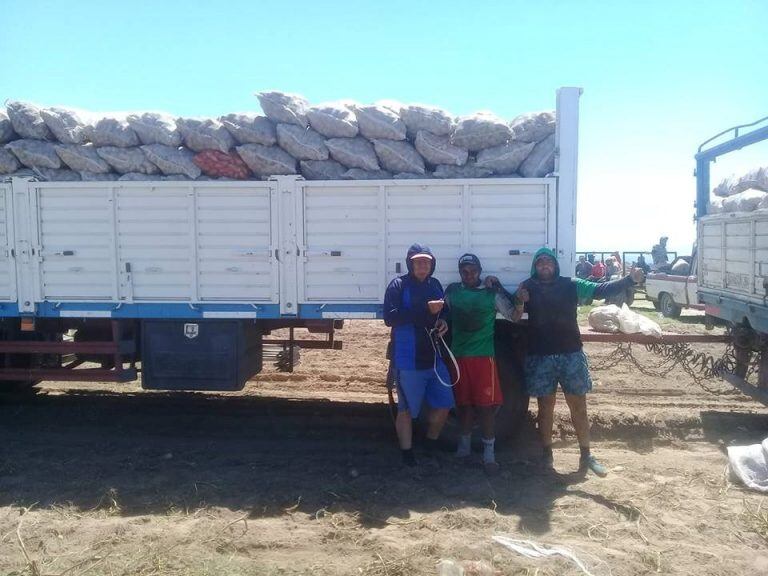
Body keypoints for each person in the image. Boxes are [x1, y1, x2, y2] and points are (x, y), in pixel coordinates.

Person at [488, 248, 644, 476]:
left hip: (571, 354)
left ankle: (586, 455)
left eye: (548, 261)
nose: (544, 265)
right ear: (535, 266)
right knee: (545, 408)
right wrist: (499, 287)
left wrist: (630, 279)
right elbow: (514, 308)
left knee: (579, 406)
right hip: (540, 356)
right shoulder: (527, 286)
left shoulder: (571, 284)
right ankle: (546, 455)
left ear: (555, 265)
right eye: (539, 262)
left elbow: (601, 290)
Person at [443, 254, 517, 474]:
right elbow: (442, 313)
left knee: (485, 408)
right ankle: (463, 450)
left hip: (484, 358)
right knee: (463, 406)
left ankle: (489, 455)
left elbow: (513, 315)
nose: (469, 275)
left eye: (473, 270)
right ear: (460, 273)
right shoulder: (452, 292)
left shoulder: (491, 294)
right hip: (459, 358)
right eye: (464, 271)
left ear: (480, 270)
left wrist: (502, 287)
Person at [384, 243, 454, 467]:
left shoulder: (434, 284)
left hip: (434, 358)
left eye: (427, 262)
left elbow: (443, 313)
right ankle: (407, 453)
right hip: (407, 358)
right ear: (410, 264)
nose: (423, 265)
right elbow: (390, 319)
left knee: (444, 404)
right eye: (418, 262)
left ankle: (430, 444)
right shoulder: (398, 285)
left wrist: (443, 321)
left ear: (432, 264)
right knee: (406, 410)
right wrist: (426, 310)